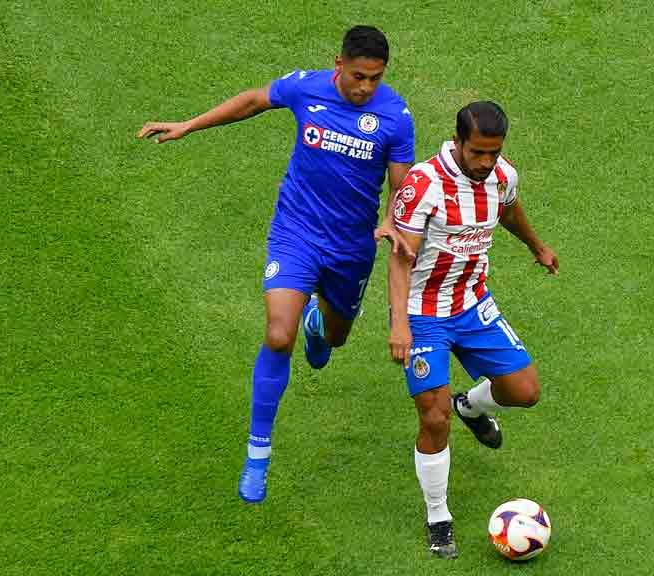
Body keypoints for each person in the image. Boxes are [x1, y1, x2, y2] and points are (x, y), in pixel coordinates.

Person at [138, 25, 415, 504]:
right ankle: (257, 454)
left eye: (374, 78)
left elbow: (401, 185)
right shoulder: (307, 87)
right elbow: (252, 101)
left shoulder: (394, 116)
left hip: (351, 247)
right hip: (297, 234)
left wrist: (391, 220)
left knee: (335, 336)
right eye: (357, 76)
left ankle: (318, 323)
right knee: (276, 335)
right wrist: (189, 124)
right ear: (338, 65)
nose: (364, 87)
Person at [386, 101, 558, 558]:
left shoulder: (501, 175)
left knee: (524, 391)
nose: (486, 162)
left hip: (471, 303)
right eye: (478, 152)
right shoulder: (424, 186)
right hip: (423, 314)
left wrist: (536, 246)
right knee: (432, 415)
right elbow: (401, 260)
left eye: (494, 152)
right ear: (458, 141)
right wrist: (399, 323)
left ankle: (471, 405)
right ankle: (438, 515)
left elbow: (509, 209)